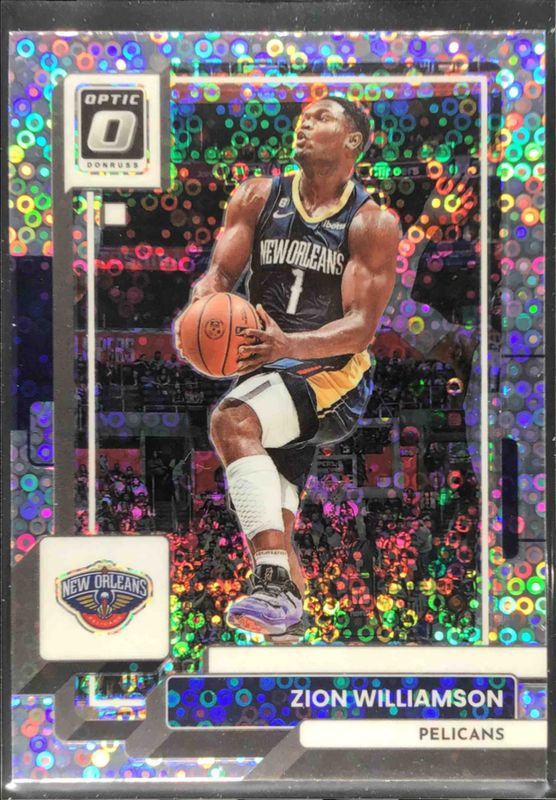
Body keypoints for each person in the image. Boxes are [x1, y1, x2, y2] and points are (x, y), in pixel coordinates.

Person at [177, 96, 399, 639]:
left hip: (333, 375)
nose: (305, 123)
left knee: (233, 421)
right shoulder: (258, 196)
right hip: (265, 366)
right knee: (273, 517)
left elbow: (361, 327)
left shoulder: (371, 222)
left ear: (352, 140)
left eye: (322, 118)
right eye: (304, 117)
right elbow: (218, 276)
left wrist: (287, 345)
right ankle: (289, 621)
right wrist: (204, 305)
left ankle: (272, 584)